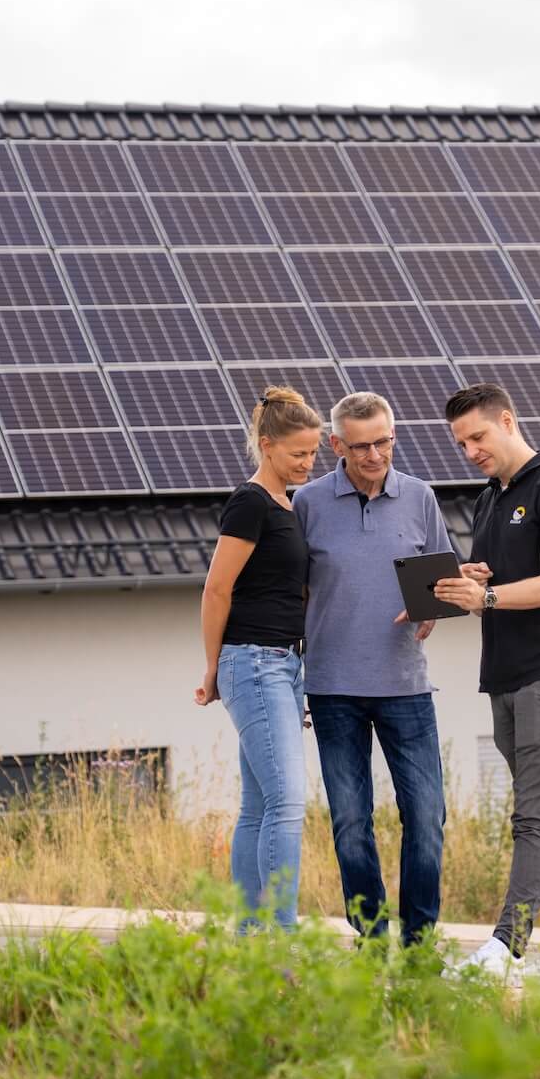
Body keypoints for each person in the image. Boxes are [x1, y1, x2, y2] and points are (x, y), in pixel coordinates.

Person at [434, 383, 540, 984]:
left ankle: (505, 950)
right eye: (461, 443)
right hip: (507, 675)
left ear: (507, 421)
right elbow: (503, 585)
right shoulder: (488, 500)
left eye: (478, 437)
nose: (471, 451)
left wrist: (484, 594)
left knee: (533, 815)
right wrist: (469, 581)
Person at [295, 391, 453, 946]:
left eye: (383, 442)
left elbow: (442, 580)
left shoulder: (421, 497)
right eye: (360, 446)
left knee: (427, 820)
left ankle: (419, 945)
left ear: (394, 436)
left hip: (405, 687)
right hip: (332, 688)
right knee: (351, 825)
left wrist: (433, 605)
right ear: (336, 445)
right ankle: (371, 939)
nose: (373, 455)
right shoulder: (307, 504)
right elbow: (291, 592)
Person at [195, 385, 326, 929]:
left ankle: (251, 937)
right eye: (298, 454)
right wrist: (212, 668)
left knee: (259, 805)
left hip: (285, 666)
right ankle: (278, 935)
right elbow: (217, 589)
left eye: (314, 453)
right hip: (252, 661)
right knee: (289, 804)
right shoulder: (250, 502)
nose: (308, 463)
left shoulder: (289, 506)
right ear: (266, 445)